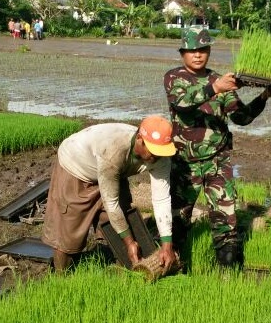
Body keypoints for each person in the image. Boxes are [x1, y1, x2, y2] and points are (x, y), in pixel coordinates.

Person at [164, 27, 271, 268]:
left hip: (218, 161)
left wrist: (264, 97)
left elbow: (241, 117)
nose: (197, 55)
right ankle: (172, 265)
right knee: (178, 217)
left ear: (208, 51)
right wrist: (215, 88)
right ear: (182, 53)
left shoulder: (219, 80)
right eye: (192, 51)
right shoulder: (174, 78)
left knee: (225, 219)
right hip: (184, 163)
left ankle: (227, 272)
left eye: (202, 50)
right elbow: (182, 103)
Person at [41, 116, 178, 273]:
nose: (157, 157)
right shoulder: (114, 151)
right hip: (76, 166)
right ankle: (61, 276)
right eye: (154, 151)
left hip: (111, 172)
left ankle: (121, 266)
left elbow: (161, 199)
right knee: (68, 232)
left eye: (161, 152)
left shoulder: (161, 159)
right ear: (140, 139)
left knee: (124, 217)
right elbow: (111, 204)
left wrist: (167, 245)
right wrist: (129, 242)